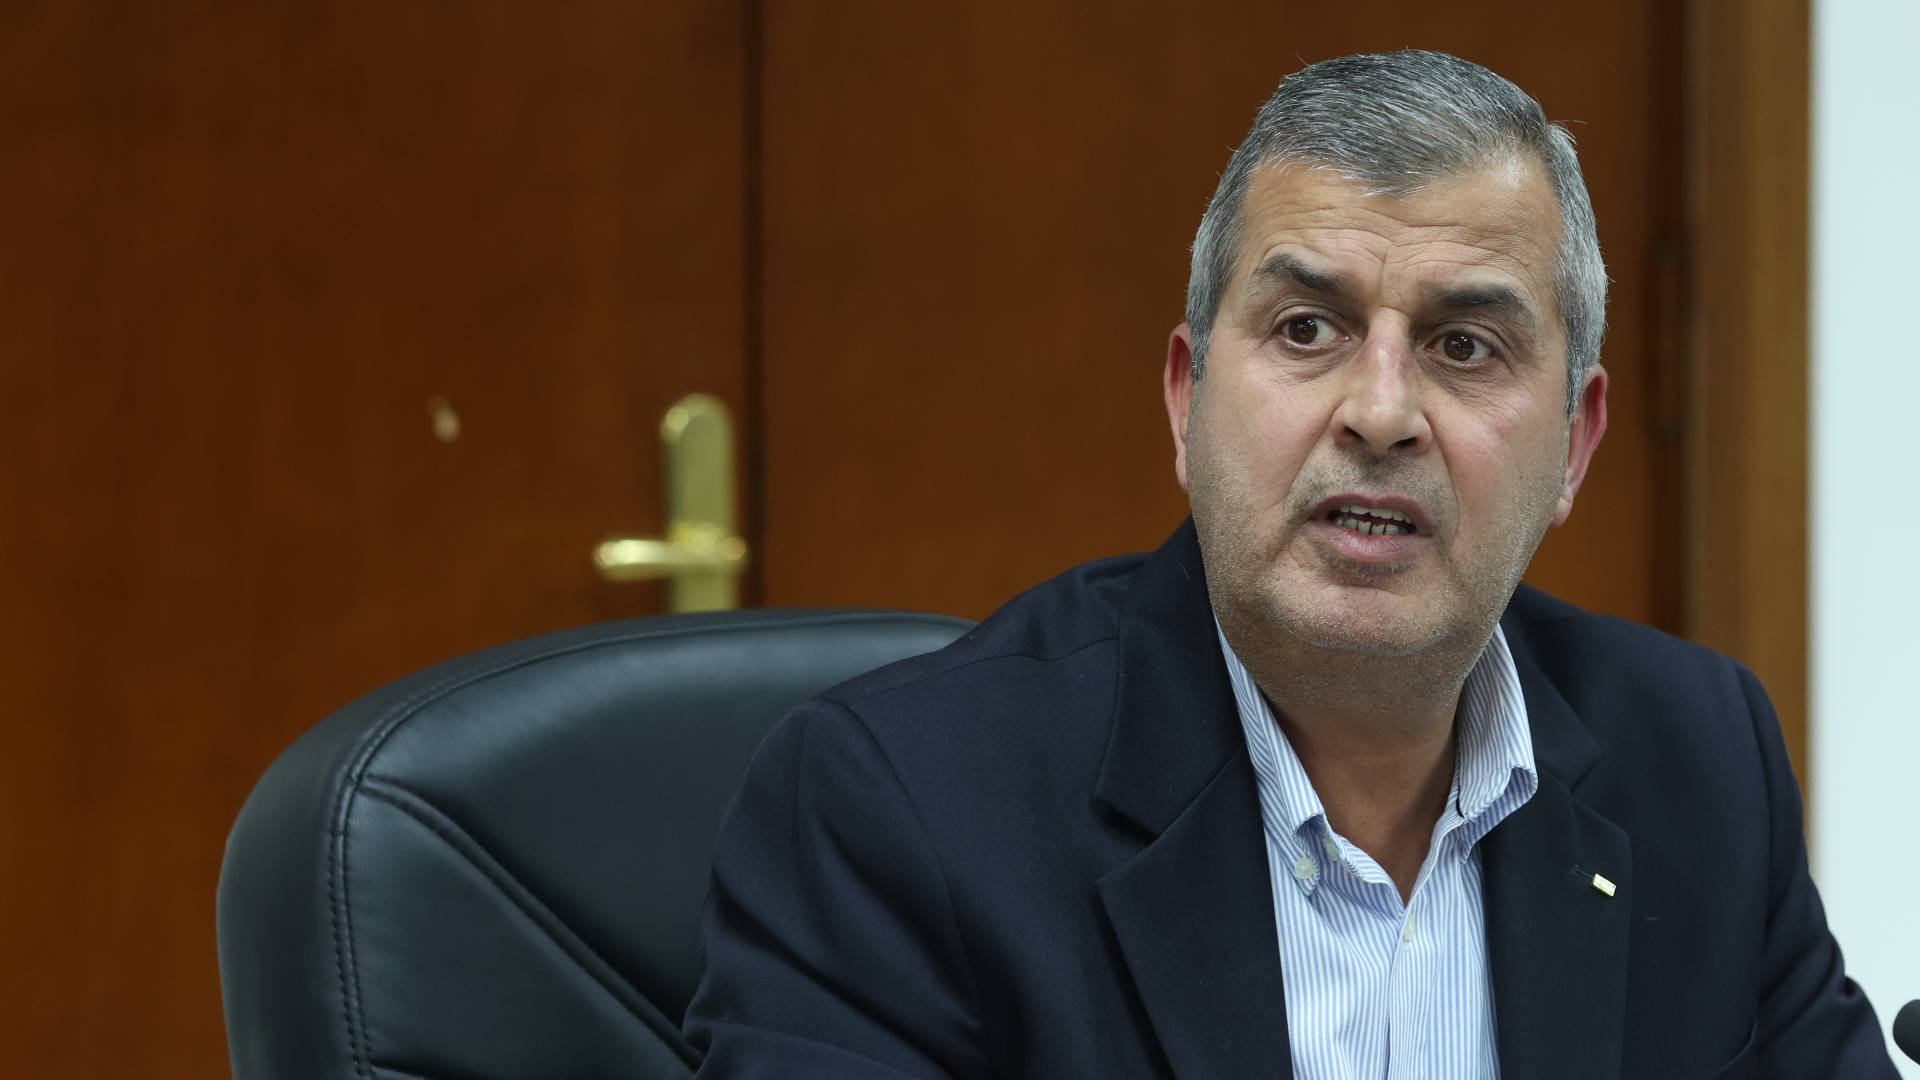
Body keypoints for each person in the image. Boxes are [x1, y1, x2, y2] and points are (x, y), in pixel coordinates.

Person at [682, 51, 1898, 1078]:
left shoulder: (1699, 764)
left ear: (1575, 445)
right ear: (1187, 399)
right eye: (1307, 329)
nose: (1381, 412)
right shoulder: (899, 809)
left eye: (1465, 346)